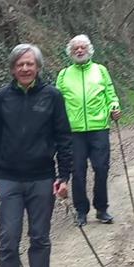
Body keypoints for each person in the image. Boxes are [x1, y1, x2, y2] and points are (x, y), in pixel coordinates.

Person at [0, 44, 72, 267]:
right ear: (13, 68)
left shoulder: (52, 96)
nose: (25, 69)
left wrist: (64, 176)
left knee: (39, 238)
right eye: (20, 64)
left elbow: (63, 137)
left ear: (38, 67)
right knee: (8, 240)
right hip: (9, 178)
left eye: (30, 64)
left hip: (42, 178)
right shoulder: (1, 98)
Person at [55, 34, 121, 227]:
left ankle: (101, 209)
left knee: (101, 168)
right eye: (75, 48)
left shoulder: (100, 70)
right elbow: (56, 101)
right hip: (73, 131)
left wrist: (114, 108)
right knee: (77, 171)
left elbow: (111, 95)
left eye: (82, 47)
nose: (79, 50)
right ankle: (81, 211)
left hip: (99, 127)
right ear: (70, 52)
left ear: (89, 50)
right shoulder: (64, 74)